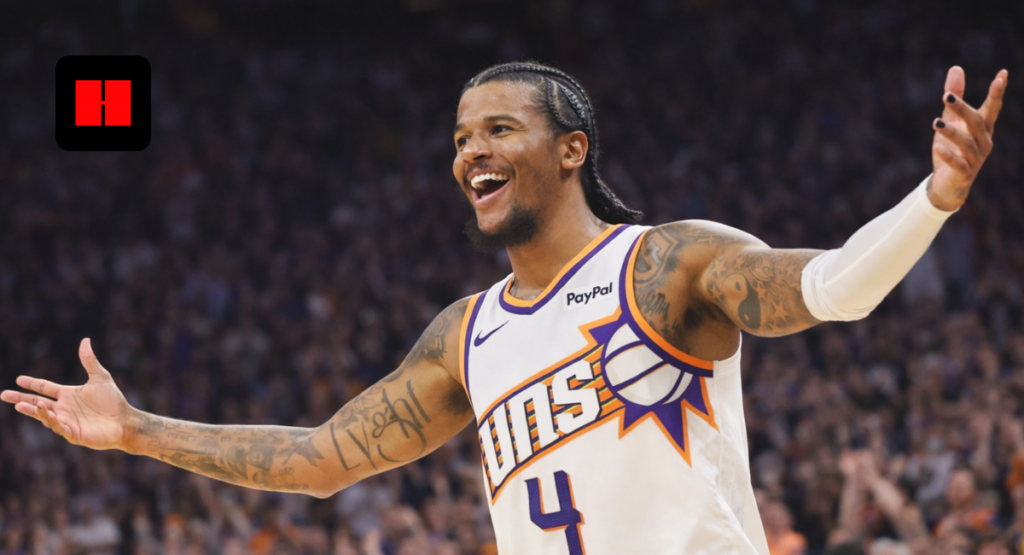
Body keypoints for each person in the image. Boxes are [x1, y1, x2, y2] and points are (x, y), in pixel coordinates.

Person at [1, 61, 1007, 555]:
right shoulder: (464, 335)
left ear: (571, 149)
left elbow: (831, 288)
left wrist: (935, 199)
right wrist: (137, 432)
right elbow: (318, 462)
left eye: (497, 128)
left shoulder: (668, 264)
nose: (468, 151)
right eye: (457, 137)